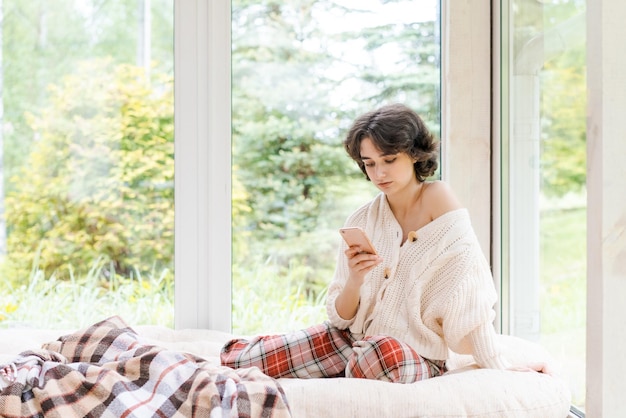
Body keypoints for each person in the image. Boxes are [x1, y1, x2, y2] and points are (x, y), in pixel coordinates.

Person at [221, 103, 548, 383]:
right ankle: (332, 365)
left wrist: (498, 365)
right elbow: (339, 318)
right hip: (348, 341)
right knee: (242, 359)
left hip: (411, 356)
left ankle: (340, 368)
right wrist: (355, 280)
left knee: (378, 353)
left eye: (389, 159)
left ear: (414, 154)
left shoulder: (438, 198)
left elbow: (470, 288)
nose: (379, 173)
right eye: (369, 163)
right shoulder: (362, 220)